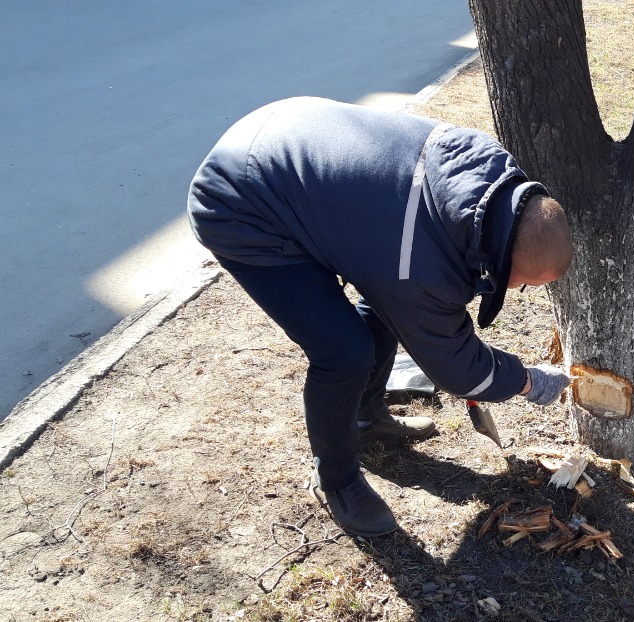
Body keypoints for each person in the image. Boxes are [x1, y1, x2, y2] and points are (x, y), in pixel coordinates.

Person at [187, 97, 574, 537]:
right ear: (503, 259)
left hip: (291, 146)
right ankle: (336, 481)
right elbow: (458, 369)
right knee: (344, 351)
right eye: (518, 281)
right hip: (244, 201)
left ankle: (365, 418)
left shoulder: (488, 176)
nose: (515, 290)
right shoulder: (414, 265)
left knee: (387, 304)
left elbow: (419, 282)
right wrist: (526, 381)